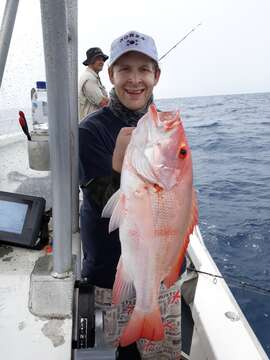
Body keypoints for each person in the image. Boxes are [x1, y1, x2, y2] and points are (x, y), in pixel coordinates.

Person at [79, 31, 182, 359]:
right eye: (125, 70)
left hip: (161, 276)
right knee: (110, 355)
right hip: (110, 278)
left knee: (162, 354)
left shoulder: (164, 129)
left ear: (156, 76)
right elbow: (103, 204)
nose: (135, 80)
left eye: (144, 69)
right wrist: (118, 167)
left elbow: (176, 200)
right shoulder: (90, 131)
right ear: (110, 75)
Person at [79, 47, 109, 120]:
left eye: (102, 59)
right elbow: (103, 103)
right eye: (98, 59)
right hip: (91, 126)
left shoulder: (93, 77)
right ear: (91, 61)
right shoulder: (89, 78)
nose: (102, 62)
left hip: (93, 124)